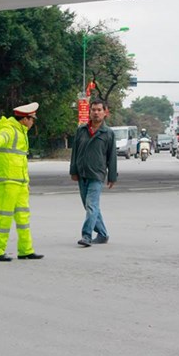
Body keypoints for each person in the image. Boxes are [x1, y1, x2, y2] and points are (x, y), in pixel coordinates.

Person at [0, 102, 43, 262]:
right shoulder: (9, 128)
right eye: (32, 119)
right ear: (24, 119)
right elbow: (3, 137)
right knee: (5, 216)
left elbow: (20, 160)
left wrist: (26, 181)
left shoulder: (22, 132)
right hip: (8, 182)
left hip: (21, 182)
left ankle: (26, 250)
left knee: (23, 217)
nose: (33, 122)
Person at [70, 98, 118, 247]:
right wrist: (73, 170)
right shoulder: (81, 130)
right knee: (90, 205)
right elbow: (75, 152)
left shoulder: (108, 133)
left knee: (91, 205)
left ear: (105, 113)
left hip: (97, 175)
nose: (96, 113)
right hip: (81, 173)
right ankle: (102, 234)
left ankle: (86, 235)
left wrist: (112, 176)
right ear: (89, 112)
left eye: (99, 110)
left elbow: (112, 157)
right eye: (93, 110)